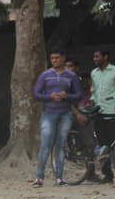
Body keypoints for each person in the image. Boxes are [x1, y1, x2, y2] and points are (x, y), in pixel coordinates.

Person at [32, 50, 82, 187]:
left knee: (60, 146)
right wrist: (50, 96)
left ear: (63, 58)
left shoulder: (71, 76)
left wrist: (67, 96)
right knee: (45, 145)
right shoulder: (45, 75)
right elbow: (36, 94)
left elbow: (78, 94)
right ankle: (39, 177)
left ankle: (59, 178)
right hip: (49, 112)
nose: (54, 60)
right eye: (52, 58)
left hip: (65, 113)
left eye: (57, 58)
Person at [89, 50, 115, 183]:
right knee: (103, 146)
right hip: (99, 113)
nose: (95, 59)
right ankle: (107, 175)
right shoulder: (93, 73)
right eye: (94, 56)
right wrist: (92, 100)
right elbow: (94, 91)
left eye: (97, 56)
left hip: (114, 113)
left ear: (105, 57)